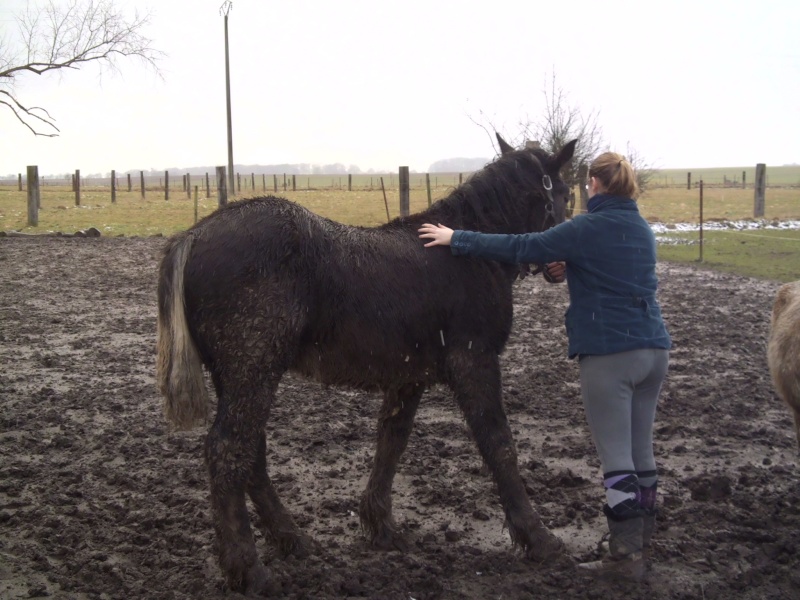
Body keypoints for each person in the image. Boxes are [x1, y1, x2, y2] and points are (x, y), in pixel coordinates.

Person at [418, 152, 671, 580]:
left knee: (616, 458)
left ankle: (625, 557)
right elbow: (611, 269)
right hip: (654, 351)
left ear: (594, 183)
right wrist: (571, 265)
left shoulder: (586, 226)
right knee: (641, 450)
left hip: (610, 354)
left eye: (587, 184)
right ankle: (642, 541)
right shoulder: (641, 229)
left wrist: (456, 238)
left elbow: (520, 246)